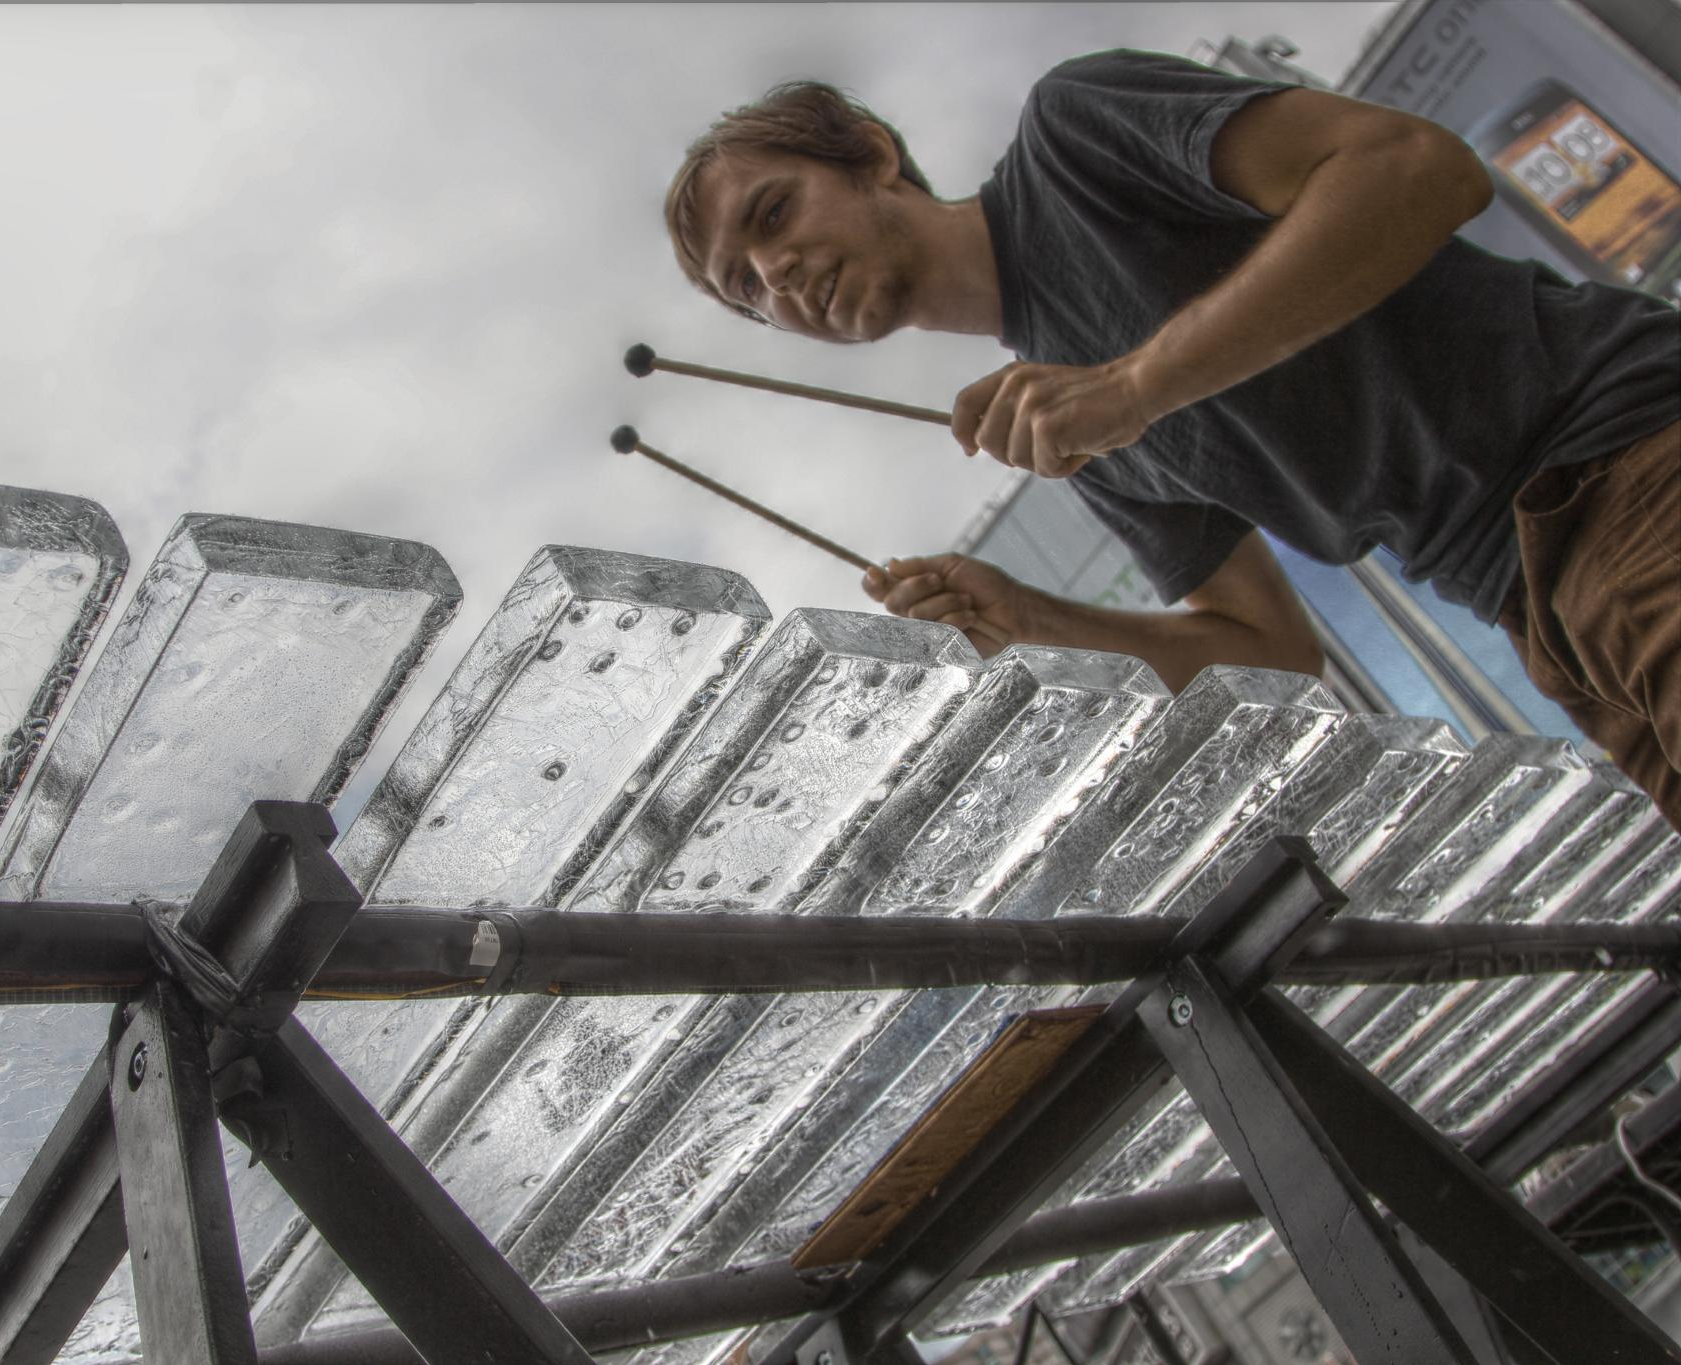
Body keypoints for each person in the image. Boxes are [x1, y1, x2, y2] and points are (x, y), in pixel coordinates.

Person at [661, 49, 1681, 829]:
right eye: (743, 287)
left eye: (773, 211)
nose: (775, 272)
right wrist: (1027, 617)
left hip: (1624, 457)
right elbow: (1272, 656)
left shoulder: (1075, 135)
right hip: (1537, 616)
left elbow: (1415, 169)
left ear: (872, 155)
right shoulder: (1067, 416)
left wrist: (1140, 384)